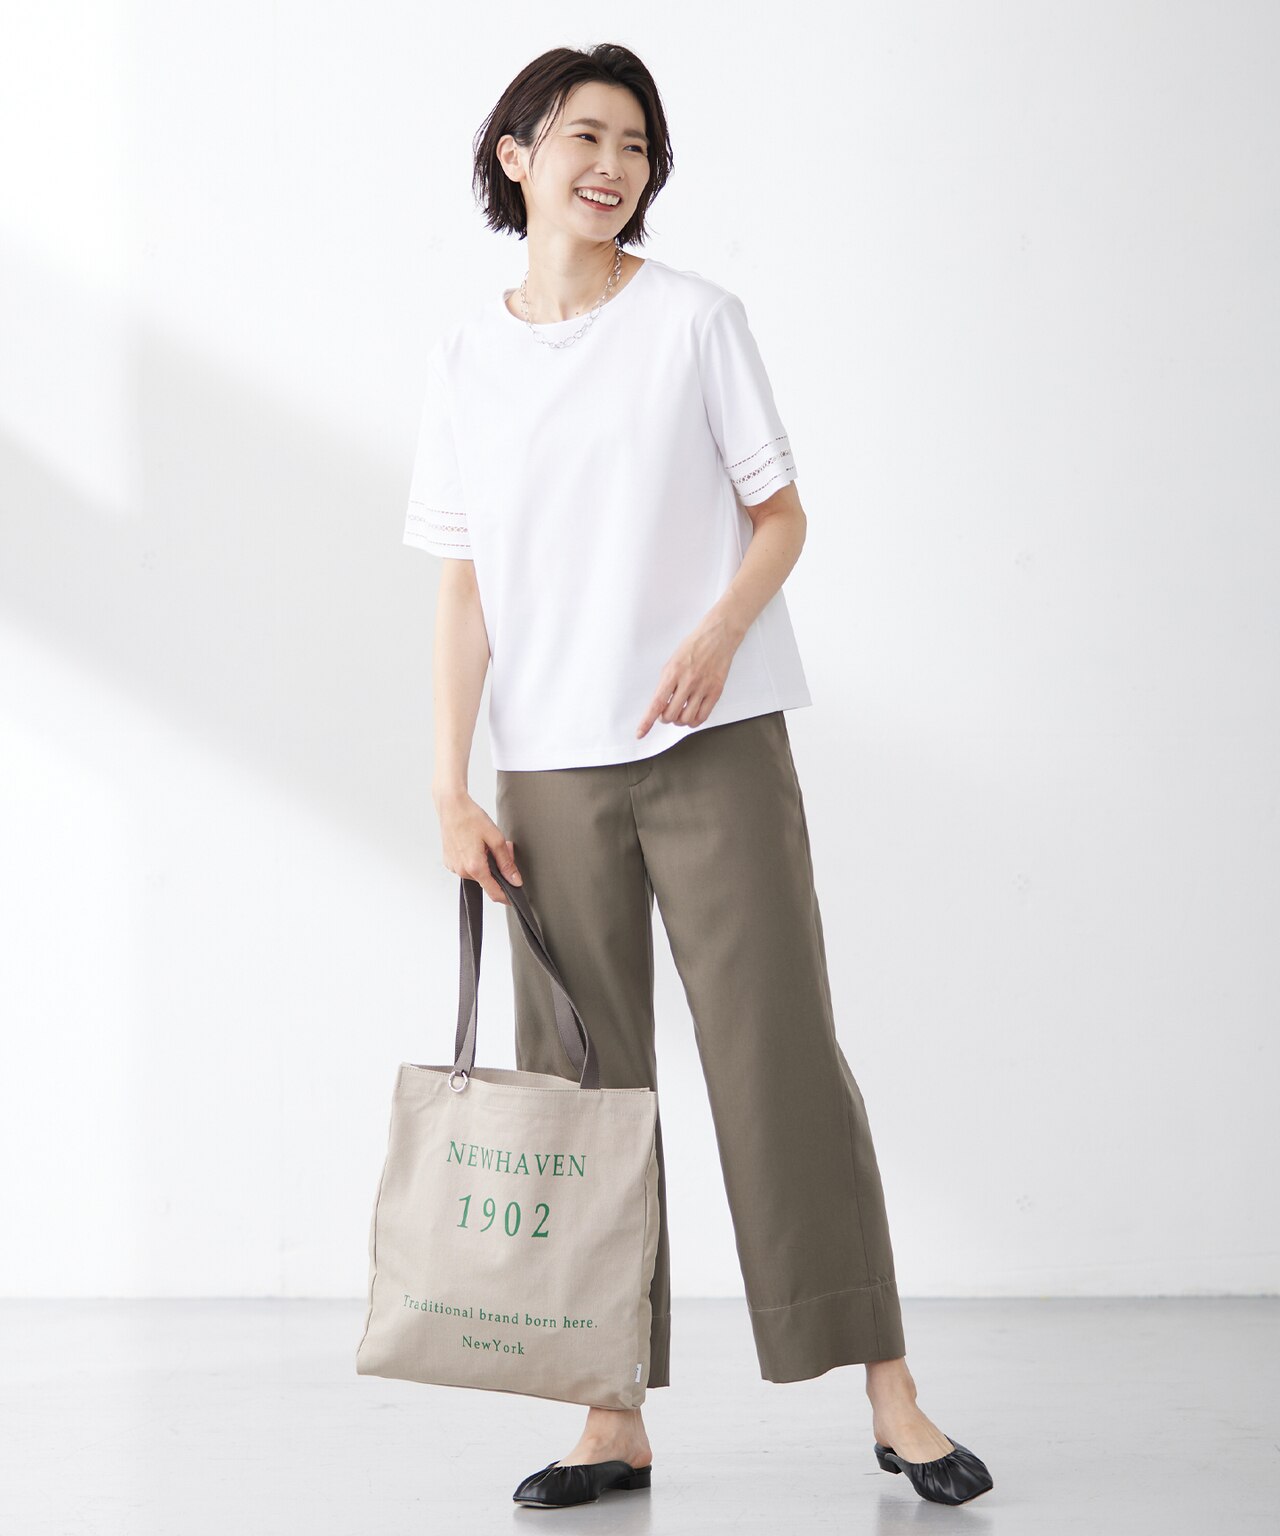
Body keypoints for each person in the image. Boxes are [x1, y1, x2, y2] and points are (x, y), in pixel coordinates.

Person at [403, 42, 993, 1511]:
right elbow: (464, 589)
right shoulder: (466, 359)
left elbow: (780, 515)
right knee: (585, 1093)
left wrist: (720, 635)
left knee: (779, 1059)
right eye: (585, 137)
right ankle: (608, 1420)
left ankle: (894, 1398)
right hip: (548, 772)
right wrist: (450, 785)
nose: (614, 166)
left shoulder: (693, 322)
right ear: (516, 156)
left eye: (637, 146)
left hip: (710, 748)